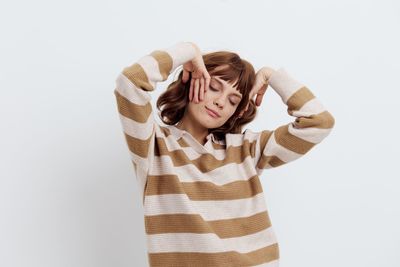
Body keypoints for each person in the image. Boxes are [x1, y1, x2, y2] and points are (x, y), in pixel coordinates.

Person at [113, 41, 335, 267]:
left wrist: (271, 76)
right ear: (193, 79)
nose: (220, 102)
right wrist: (188, 51)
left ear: (236, 113)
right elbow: (129, 83)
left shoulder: (246, 150)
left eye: (233, 100)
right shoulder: (154, 146)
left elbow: (320, 122)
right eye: (214, 87)